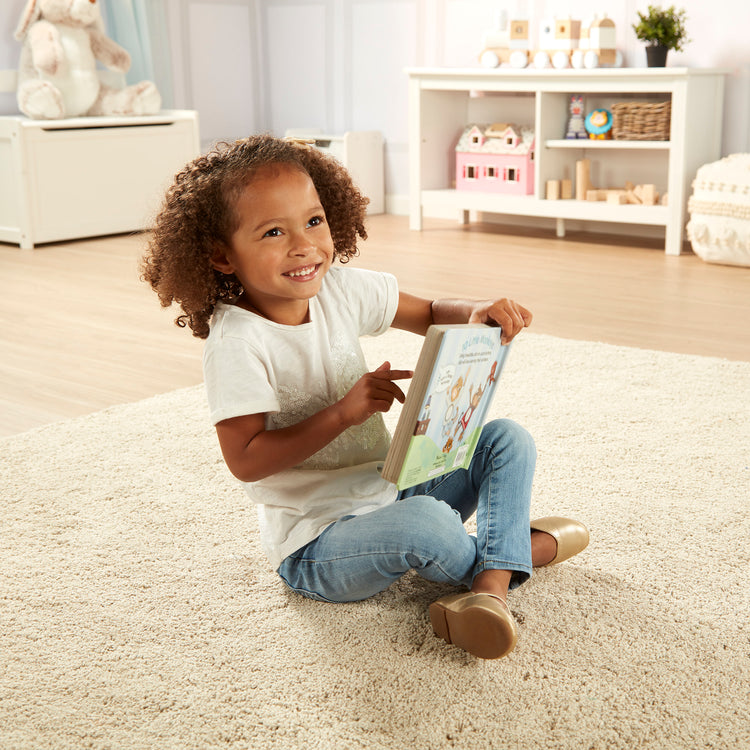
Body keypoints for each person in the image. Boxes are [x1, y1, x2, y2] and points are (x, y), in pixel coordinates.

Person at [141, 134, 589, 660]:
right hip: (316, 544)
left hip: (384, 492)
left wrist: (475, 312)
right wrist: (342, 414)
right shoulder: (237, 344)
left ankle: (488, 583)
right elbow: (244, 461)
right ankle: (509, 562)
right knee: (428, 524)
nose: (304, 245)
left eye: (313, 221)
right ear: (220, 255)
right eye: (272, 232)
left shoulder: (336, 289)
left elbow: (428, 312)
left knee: (505, 440)